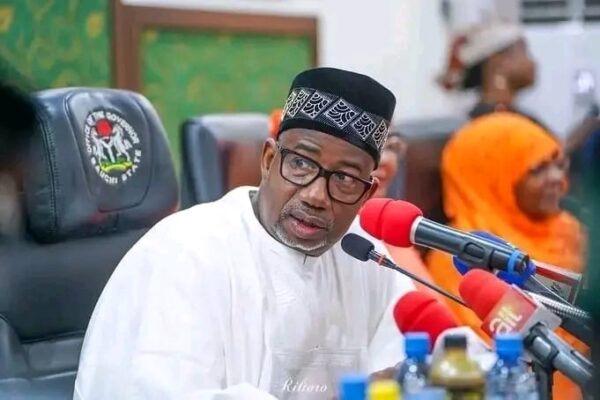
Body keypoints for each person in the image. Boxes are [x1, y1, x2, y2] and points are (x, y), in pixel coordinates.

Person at [74, 67, 415, 400]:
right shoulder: (185, 252)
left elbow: (410, 363)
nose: (316, 196)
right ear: (268, 160)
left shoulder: (363, 254)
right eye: (300, 163)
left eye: (344, 179)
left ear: (367, 194)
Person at [426, 112, 586, 399]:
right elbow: (489, 354)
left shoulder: (571, 229)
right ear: (492, 177)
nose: (558, 179)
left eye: (558, 164)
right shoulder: (462, 257)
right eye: (537, 169)